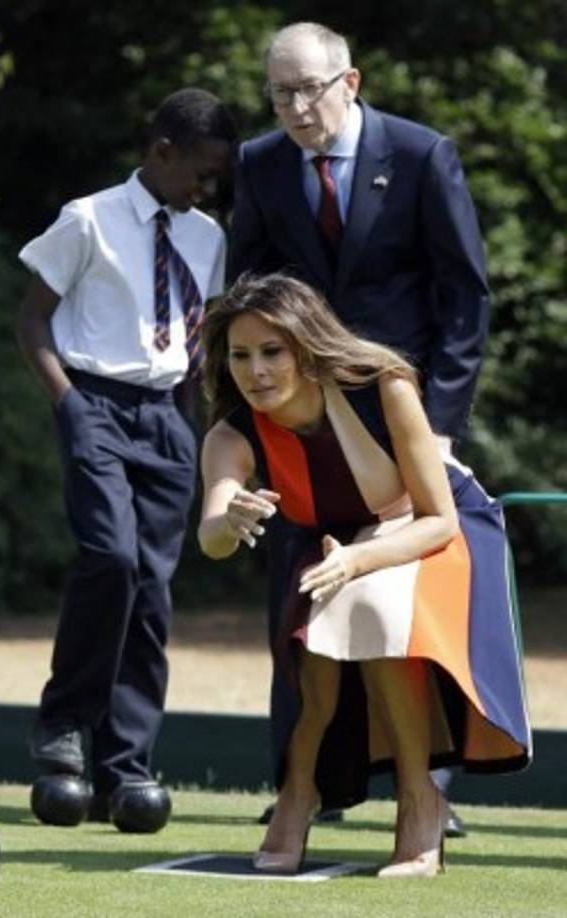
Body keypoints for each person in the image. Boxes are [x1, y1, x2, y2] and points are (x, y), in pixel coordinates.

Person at [228, 22, 490, 835]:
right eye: (280, 92)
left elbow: (464, 298)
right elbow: (242, 290)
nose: (296, 107)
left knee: (401, 607)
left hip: (402, 418)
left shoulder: (420, 155)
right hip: (298, 422)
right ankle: (304, 786)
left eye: (310, 88)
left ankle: (428, 789)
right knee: (297, 605)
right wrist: (245, 428)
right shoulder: (258, 164)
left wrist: (439, 424)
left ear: (351, 81)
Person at [197, 272, 530, 876]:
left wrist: (355, 561)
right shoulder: (231, 432)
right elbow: (212, 533)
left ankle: (419, 798)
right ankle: (298, 794)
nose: (256, 371)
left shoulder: (384, 386)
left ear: (305, 345)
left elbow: (437, 519)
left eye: (272, 351)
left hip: (437, 527)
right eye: (240, 355)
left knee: (369, 606)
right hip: (336, 538)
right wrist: (231, 520)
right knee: (317, 657)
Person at [15, 88, 237, 825]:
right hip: (95, 404)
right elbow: (32, 320)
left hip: (167, 416)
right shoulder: (88, 219)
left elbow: (199, 342)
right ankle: (64, 724)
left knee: (151, 590)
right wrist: (71, 407)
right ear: (162, 151)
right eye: (200, 173)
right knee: (109, 558)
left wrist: (198, 433)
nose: (205, 189)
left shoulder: (206, 236)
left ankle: (125, 763)